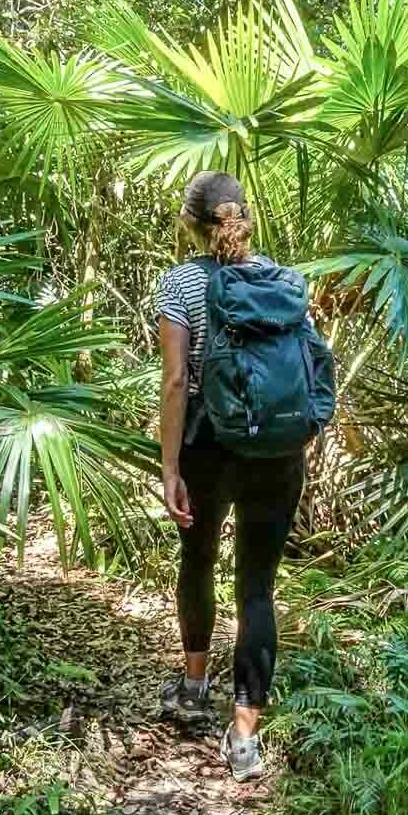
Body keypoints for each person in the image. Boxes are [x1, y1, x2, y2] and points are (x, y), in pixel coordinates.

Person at [155, 171, 305, 782]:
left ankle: (194, 684)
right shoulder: (286, 283)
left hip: (208, 446)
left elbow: (173, 381)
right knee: (258, 587)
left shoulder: (181, 282)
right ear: (244, 217)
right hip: (278, 450)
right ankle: (244, 736)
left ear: (190, 223)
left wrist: (168, 467)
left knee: (199, 558)